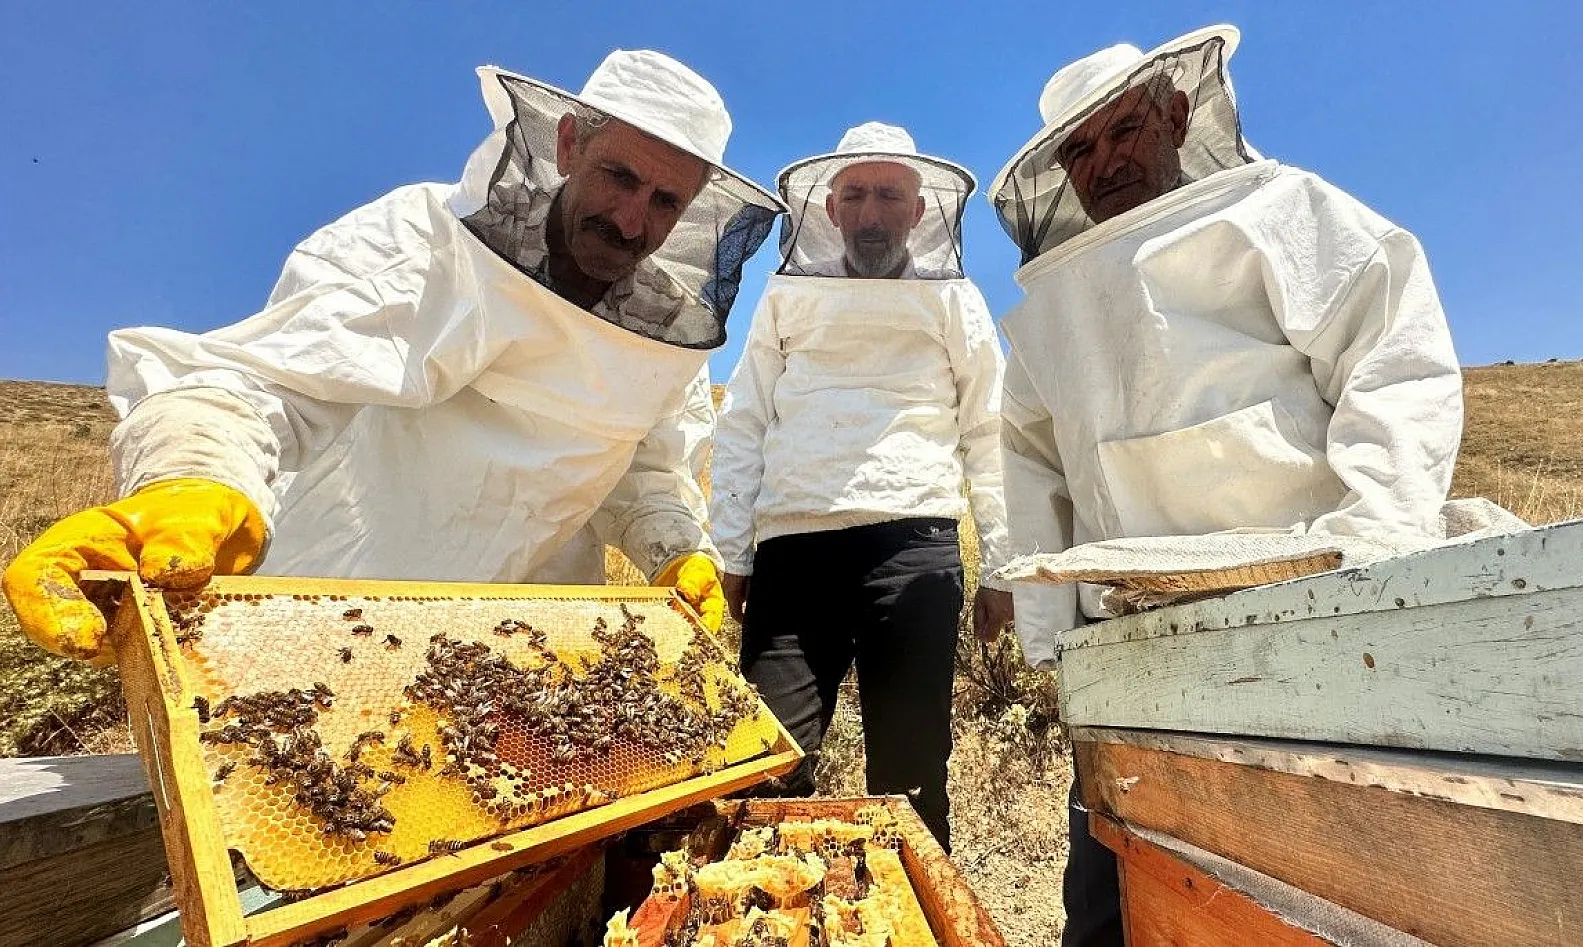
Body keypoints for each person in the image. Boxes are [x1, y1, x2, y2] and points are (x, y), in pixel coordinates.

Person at [4, 50, 786, 664]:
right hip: (334, 609)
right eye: (620, 176)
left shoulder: (669, 333)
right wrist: (194, 476)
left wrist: (673, 549)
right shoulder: (423, 239)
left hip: (526, 644)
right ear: (570, 143)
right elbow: (264, 379)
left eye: (664, 202)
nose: (630, 218)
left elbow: (645, 471)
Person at [988, 25, 1462, 945]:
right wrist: (1055, 644)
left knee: (1303, 893)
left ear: (1175, 113)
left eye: (1122, 129)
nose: (1104, 161)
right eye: (1079, 151)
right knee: (1108, 891)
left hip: (1309, 618)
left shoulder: (1285, 212)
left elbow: (1393, 354)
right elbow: (1029, 459)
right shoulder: (1050, 308)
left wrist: (1376, 546)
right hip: (1131, 645)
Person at [710, 123, 1013, 850]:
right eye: (856, 194)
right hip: (793, 549)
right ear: (831, 208)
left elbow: (990, 428)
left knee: (910, 785)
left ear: (918, 210)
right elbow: (745, 415)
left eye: (889, 195)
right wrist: (733, 550)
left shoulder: (956, 298)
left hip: (915, 547)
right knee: (760, 770)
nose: (872, 212)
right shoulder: (786, 293)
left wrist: (1002, 566)